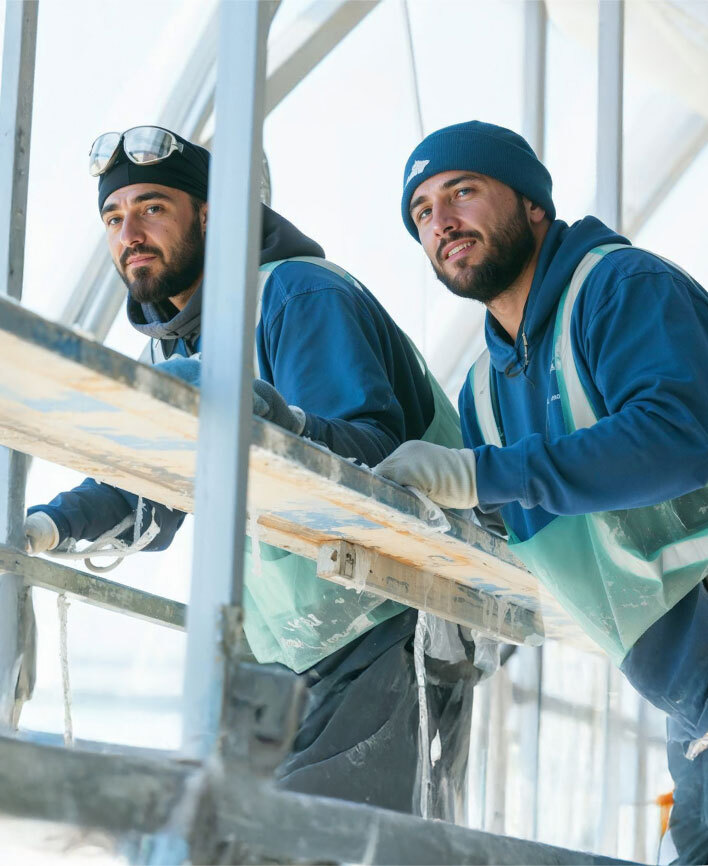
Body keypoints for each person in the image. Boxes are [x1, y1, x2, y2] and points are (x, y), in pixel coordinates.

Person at [23, 126, 479, 819]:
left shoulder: (296, 295)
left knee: (330, 842)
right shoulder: (189, 347)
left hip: (388, 618)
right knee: (236, 834)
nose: (129, 234)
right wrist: (45, 528)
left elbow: (373, 451)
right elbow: (145, 488)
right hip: (285, 642)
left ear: (213, 214)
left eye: (152, 208)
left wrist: (278, 425)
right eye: (114, 218)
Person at [375, 120, 708, 861]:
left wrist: (476, 476)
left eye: (463, 192)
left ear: (533, 206)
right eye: (422, 211)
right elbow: (531, 534)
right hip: (684, 693)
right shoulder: (484, 393)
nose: (443, 221)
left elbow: (683, 437)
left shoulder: (620, 288)